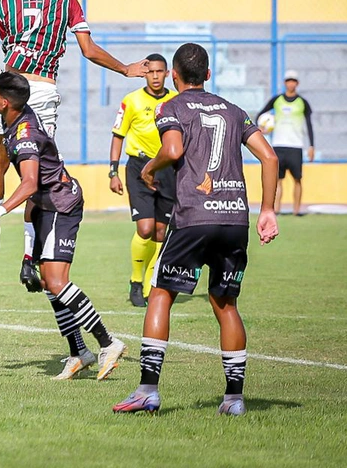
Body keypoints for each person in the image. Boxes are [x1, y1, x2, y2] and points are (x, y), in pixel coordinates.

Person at [0, 0, 149, 280]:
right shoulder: (67, 1)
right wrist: (125, 69)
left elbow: (13, 50)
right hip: (43, 90)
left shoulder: (2, 6)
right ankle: (29, 256)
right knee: (39, 173)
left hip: (6, 90)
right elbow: (88, 50)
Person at [113, 43, 279, 416]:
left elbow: (172, 150)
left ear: (173, 75)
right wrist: (267, 210)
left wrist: (149, 168)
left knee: (161, 294)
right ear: (207, 75)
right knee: (225, 303)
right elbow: (270, 156)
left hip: (193, 216)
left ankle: (147, 392)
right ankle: (234, 399)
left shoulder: (170, 106)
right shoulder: (234, 111)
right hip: (234, 217)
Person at [0, 71, 127, 381]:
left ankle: (108, 343)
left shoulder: (24, 134)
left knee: (57, 282)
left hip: (60, 206)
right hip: (46, 207)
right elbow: (13, 91)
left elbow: (29, 184)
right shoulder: (19, 111)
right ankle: (78, 352)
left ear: (4, 103)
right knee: (48, 284)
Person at [108, 53, 177, 307]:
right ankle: (136, 281)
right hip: (138, 166)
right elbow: (118, 135)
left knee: (161, 231)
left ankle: (151, 285)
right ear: (144, 73)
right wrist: (113, 171)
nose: (155, 76)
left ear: (167, 74)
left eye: (160, 72)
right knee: (145, 228)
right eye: (151, 72)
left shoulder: (175, 100)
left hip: (168, 168)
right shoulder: (131, 101)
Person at [256, 71, 314, 217]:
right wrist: (262, 128)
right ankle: (277, 209)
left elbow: (309, 124)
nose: (291, 83)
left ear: (297, 83)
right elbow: (260, 115)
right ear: (285, 83)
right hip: (279, 145)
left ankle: (296, 210)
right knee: (278, 180)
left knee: (297, 180)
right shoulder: (276, 100)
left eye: (293, 80)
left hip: (296, 145)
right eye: (288, 80)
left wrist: (311, 145)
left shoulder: (302, 102)